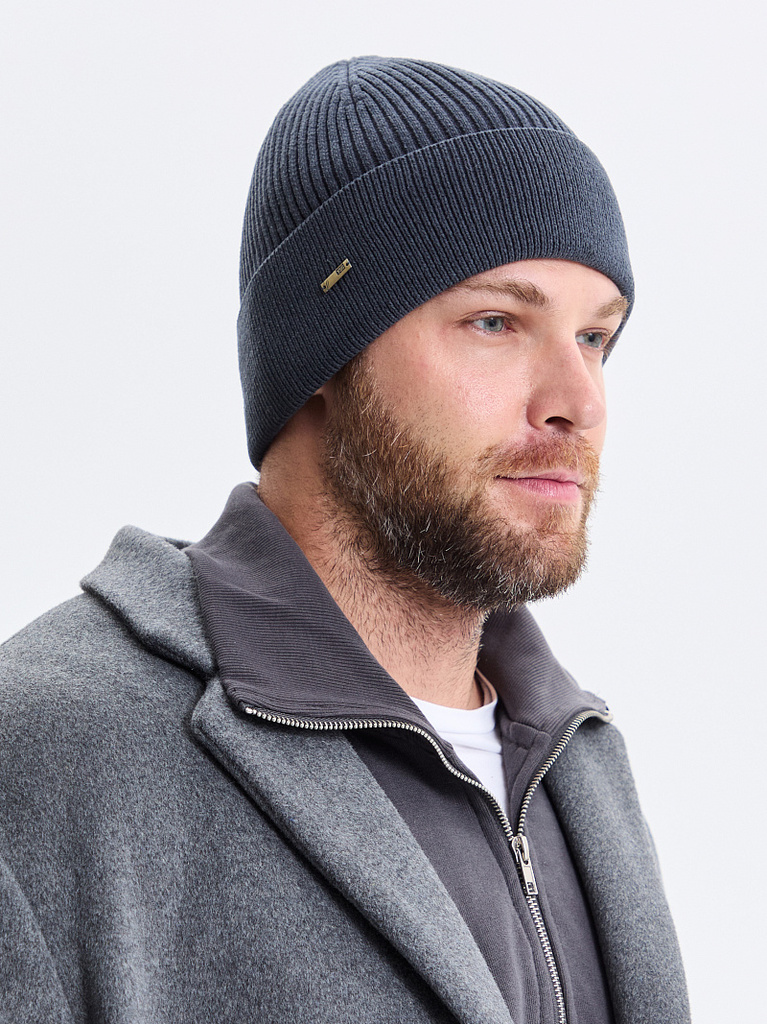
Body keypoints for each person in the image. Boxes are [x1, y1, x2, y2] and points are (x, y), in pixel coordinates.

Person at [0, 57, 689, 1024]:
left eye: (593, 338)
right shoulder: (51, 750)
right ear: (321, 349)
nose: (579, 401)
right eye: (495, 321)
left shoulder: (574, 757)